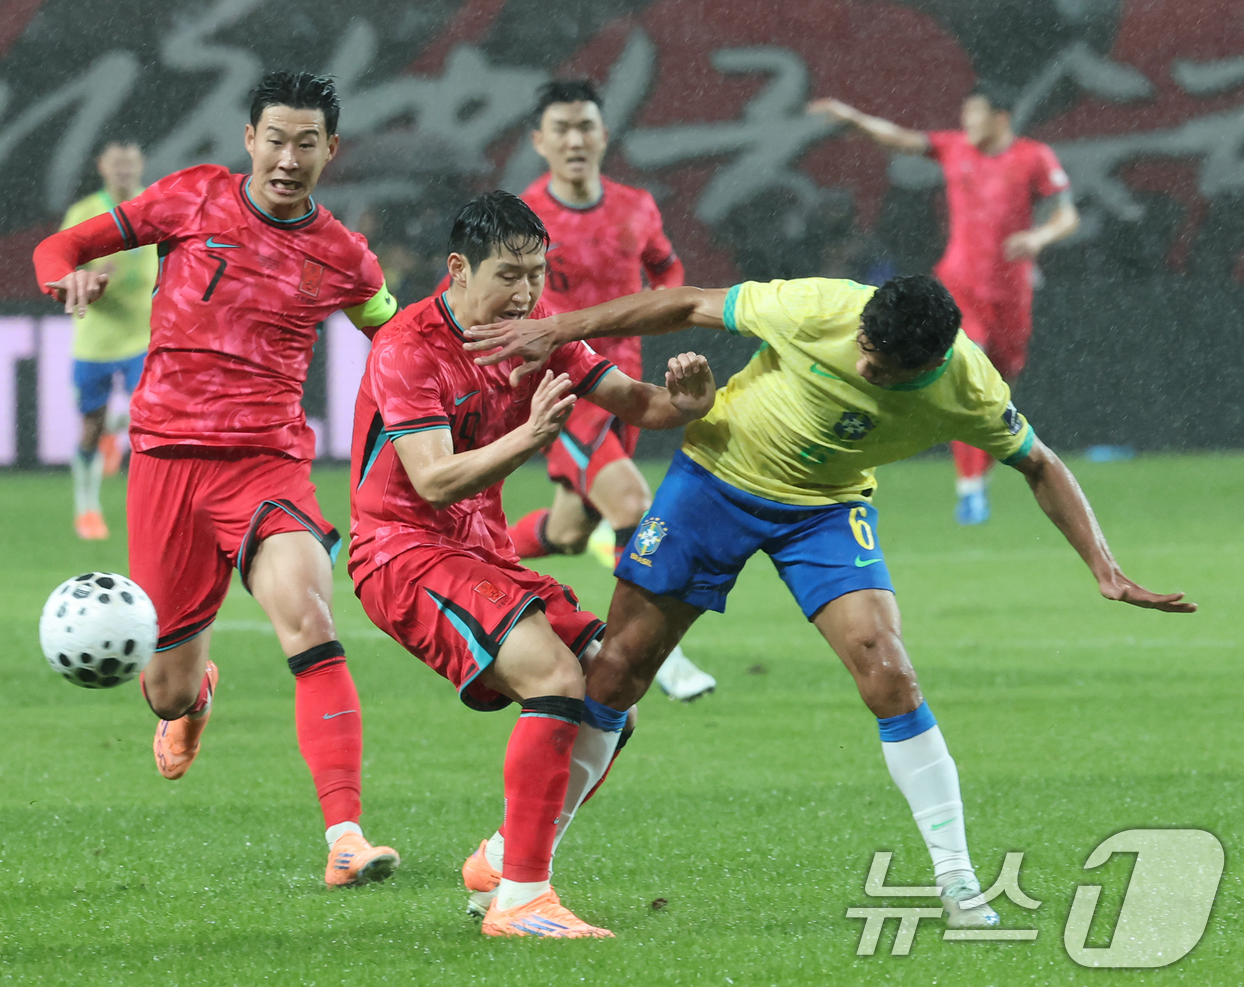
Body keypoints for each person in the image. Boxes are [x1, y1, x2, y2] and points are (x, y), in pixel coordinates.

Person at [465, 274, 1194, 928]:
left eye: (882, 366)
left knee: (890, 670)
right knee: (618, 672)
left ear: (931, 362)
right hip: (715, 476)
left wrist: (1104, 566)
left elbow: (1038, 462)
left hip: (825, 508)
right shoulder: (822, 308)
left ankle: (958, 882)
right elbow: (689, 302)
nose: (864, 361)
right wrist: (561, 327)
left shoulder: (968, 385)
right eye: (864, 347)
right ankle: (512, 857)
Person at [33, 71, 401, 887]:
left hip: (266, 466)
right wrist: (70, 278)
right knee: (161, 689)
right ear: (249, 140)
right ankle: (194, 698)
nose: (288, 157)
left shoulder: (343, 254)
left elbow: (398, 336)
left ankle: (345, 833)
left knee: (309, 617)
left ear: (330, 151)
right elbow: (59, 249)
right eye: (275, 138)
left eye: (308, 143)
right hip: (163, 466)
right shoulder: (191, 199)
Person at [349, 191, 714, 937]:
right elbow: (432, 480)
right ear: (458, 268)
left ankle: (507, 858)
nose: (526, 292)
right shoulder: (407, 345)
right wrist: (533, 437)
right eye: (510, 274)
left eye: (537, 274)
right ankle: (520, 899)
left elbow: (637, 402)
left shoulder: (537, 336)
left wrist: (689, 404)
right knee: (555, 677)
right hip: (402, 551)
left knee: (616, 686)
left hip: (483, 552)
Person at [508, 78, 717, 701]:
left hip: (626, 385)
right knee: (632, 505)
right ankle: (650, 656)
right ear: (539, 140)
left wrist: (664, 305)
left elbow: (666, 268)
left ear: (603, 134)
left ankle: (470, 550)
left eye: (586, 127)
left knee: (570, 532)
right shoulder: (524, 216)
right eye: (562, 129)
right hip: (566, 387)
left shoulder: (636, 205)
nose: (575, 139)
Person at [808, 82, 1080, 525]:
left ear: (1001, 118)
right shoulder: (954, 148)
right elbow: (898, 137)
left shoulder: (1034, 157)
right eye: (965, 114)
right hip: (958, 289)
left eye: (976, 114)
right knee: (964, 372)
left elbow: (1068, 214)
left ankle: (979, 475)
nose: (967, 123)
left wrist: (1038, 236)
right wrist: (855, 119)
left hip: (1012, 293)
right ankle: (968, 488)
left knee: (999, 387)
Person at [58, 140, 157, 541]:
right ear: (102, 166)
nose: (123, 170)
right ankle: (87, 509)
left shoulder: (155, 204)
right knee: (89, 429)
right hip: (96, 338)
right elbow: (63, 273)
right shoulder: (83, 214)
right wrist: (94, 273)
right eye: (116, 163)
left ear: (140, 165)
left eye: (130, 162)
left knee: (152, 416)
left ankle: (117, 433)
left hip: (144, 335)